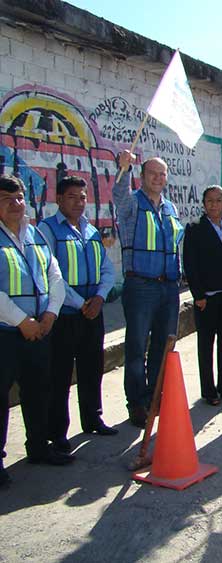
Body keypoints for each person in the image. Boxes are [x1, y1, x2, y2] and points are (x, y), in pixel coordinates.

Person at [0, 175, 73, 487]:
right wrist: (22, 321)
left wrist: (50, 315)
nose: (16, 205)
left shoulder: (35, 235)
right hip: (6, 332)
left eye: (18, 198)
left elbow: (54, 275)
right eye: (6, 200)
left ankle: (39, 447)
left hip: (40, 329)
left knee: (38, 391)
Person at [37, 176, 118, 455]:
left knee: (92, 367)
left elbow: (107, 270)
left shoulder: (91, 231)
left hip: (92, 312)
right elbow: (51, 275)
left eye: (83, 197)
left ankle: (93, 418)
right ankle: (57, 433)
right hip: (64, 315)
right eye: (72, 197)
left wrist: (99, 298)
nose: (79, 202)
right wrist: (82, 302)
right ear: (58, 199)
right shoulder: (46, 230)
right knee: (59, 374)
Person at [114, 151, 184, 428]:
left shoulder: (171, 209)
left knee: (163, 346)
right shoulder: (132, 203)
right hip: (140, 285)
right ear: (142, 177)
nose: (158, 178)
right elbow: (118, 195)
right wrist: (124, 168)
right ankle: (137, 403)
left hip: (168, 287)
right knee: (136, 347)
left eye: (162, 173)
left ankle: (157, 397)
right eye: (153, 173)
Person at [183, 185, 222, 407]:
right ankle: (209, 391)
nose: (214, 205)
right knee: (206, 344)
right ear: (204, 203)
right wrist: (197, 294)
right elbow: (190, 264)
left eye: (218, 200)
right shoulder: (195, 228)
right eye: (210, 201)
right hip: (206, 297)